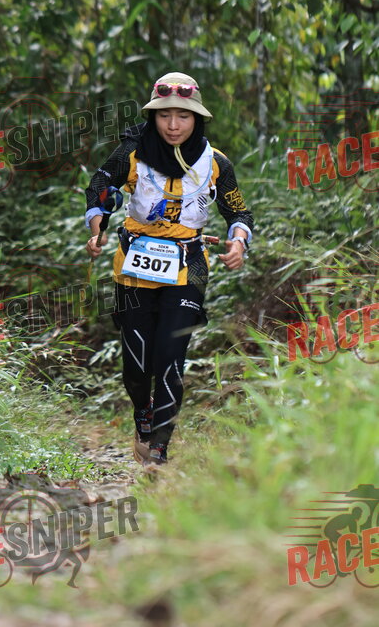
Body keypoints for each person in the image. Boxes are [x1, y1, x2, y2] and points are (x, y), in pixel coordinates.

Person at [84, 72, 254, 467]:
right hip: (135, 264)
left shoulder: (216, 163)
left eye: (183, 116)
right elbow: (100, 187)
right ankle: (143, 414)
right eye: (164, 116)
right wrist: (97, 225)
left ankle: (159, 450)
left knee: (171, 357)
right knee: (137, 364)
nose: (173, 125)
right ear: (152, 116)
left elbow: (238, 212)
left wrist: (239, 242)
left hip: (189, 265)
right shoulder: (132, 153)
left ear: (198, 119)